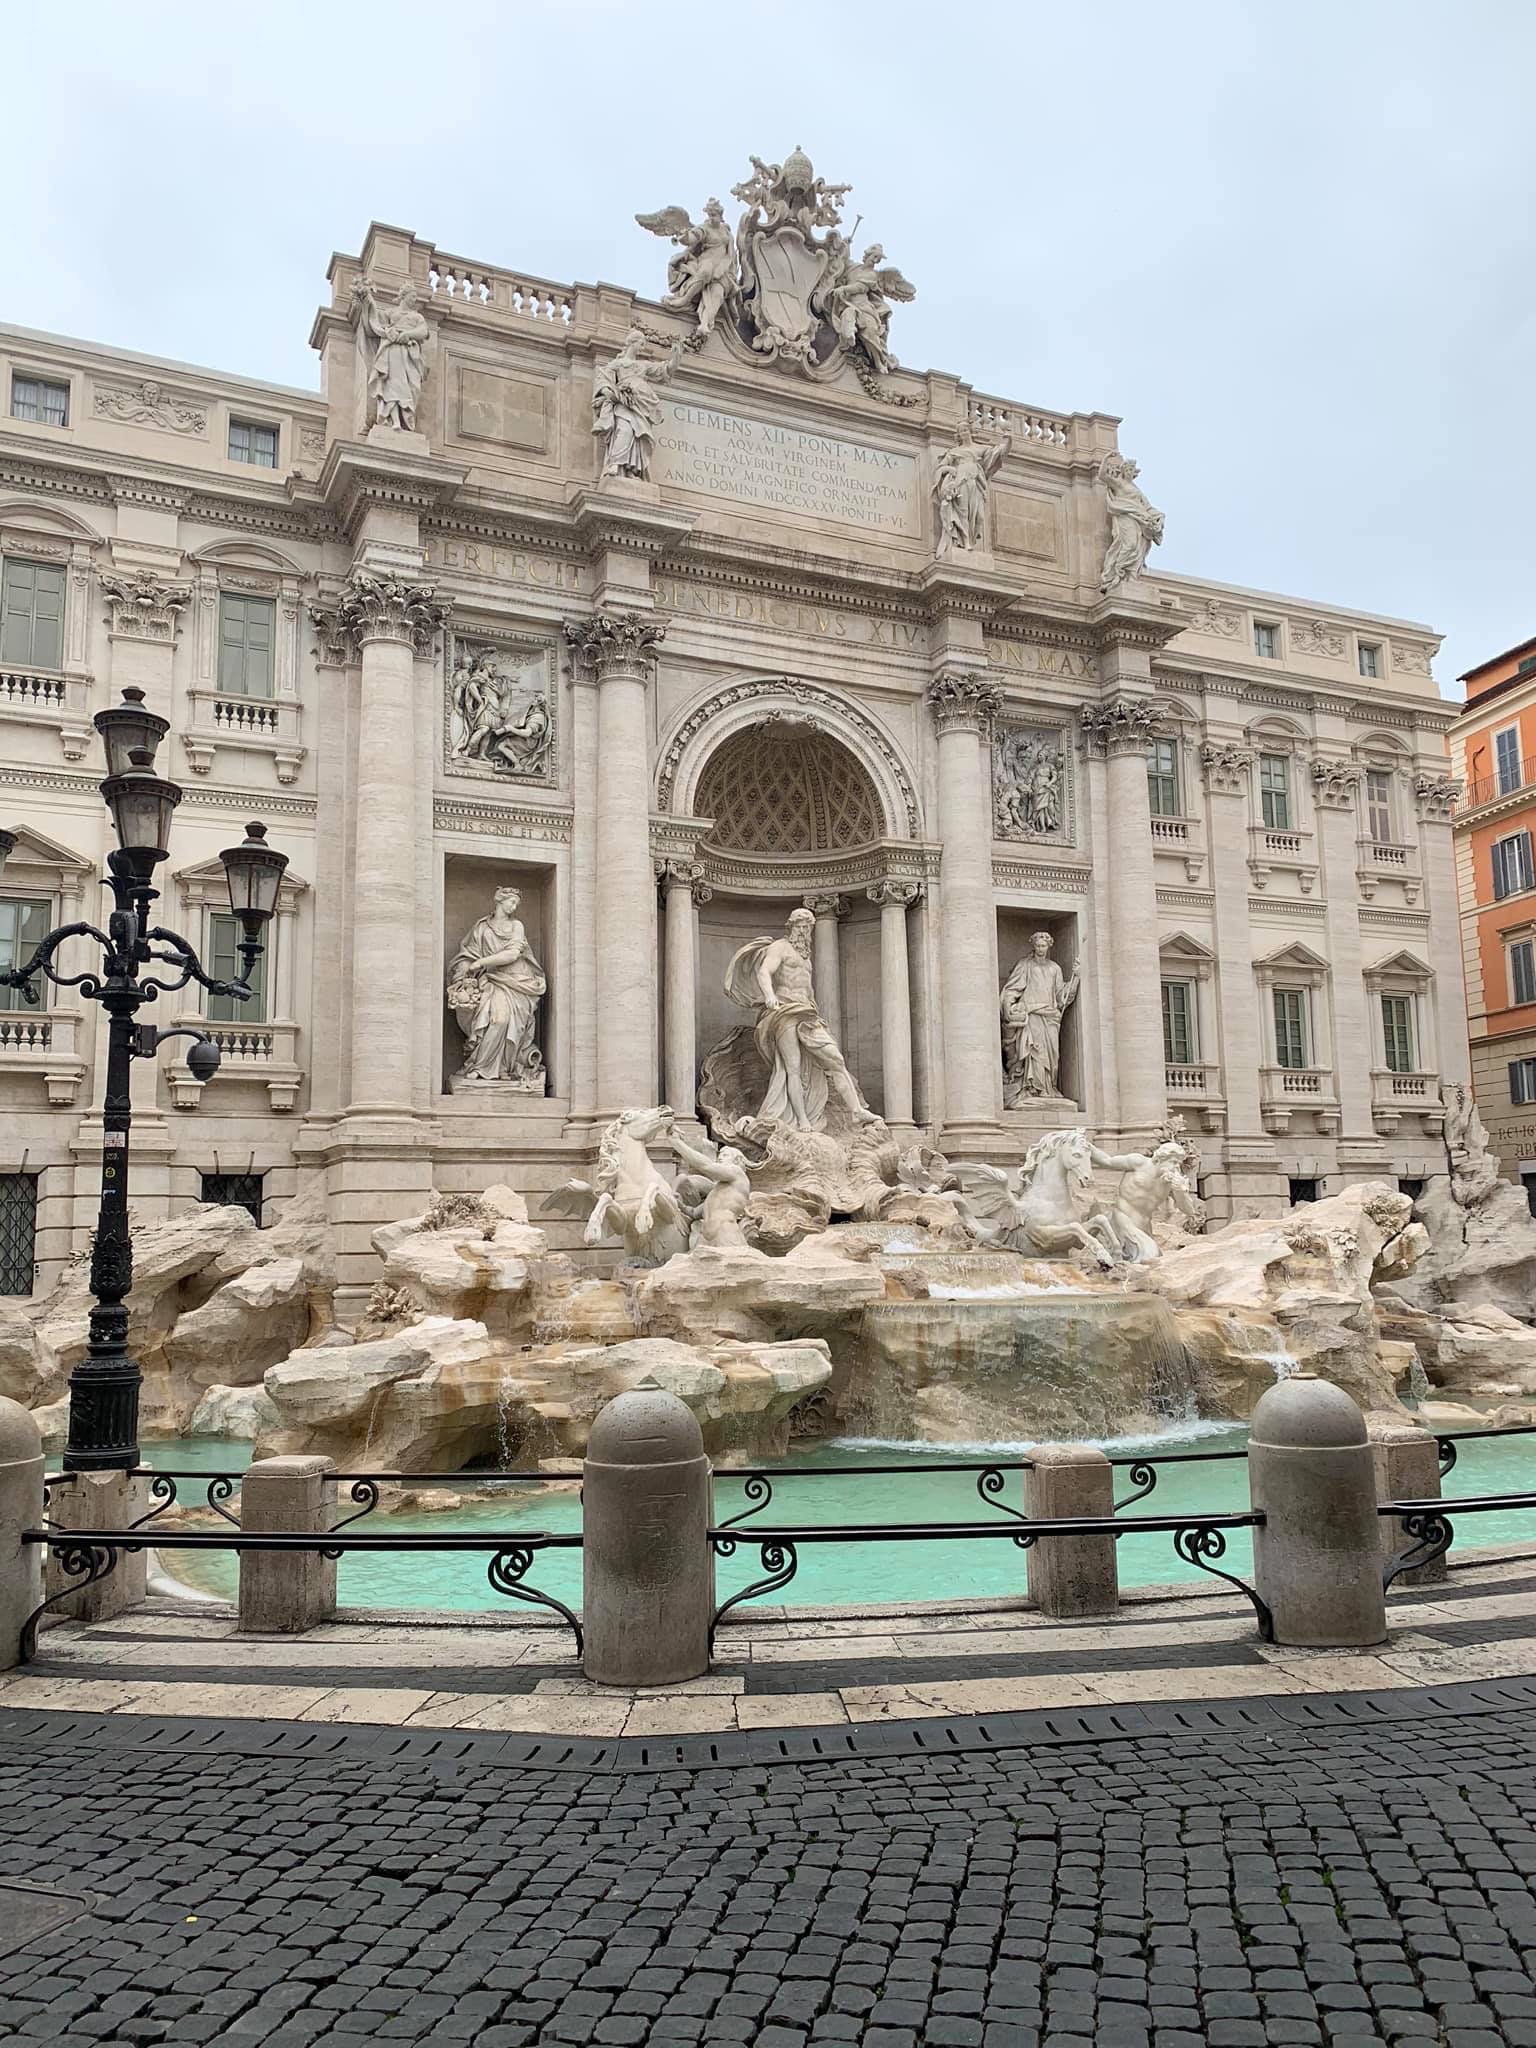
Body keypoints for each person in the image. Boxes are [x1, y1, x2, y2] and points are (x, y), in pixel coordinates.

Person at [722, 908, 878, 1132]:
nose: (805, 931)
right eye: (801, 926)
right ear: (791, 926)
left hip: (807, 1013)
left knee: (836, 1060)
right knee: (792, 1068)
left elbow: (808, 987)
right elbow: (764, 972)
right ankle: (802, 1120)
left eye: (808, 927)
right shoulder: (779, 947)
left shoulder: (806, 956)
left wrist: (815, 1009)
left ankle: (856, 1111)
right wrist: (770, 996)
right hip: (784, 1010)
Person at [447, 887, 547, 1086]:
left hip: (517, 981)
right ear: (500, 901)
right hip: (492, 979)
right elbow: (469, 954)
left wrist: (480, 963)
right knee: (497, 1020)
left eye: (517, 904)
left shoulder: (517, 925)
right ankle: (480, 1066)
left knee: (507, 1022)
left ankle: (503, 1067)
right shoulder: (482, 927)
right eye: (511, 902)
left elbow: (512, 955)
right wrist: (466, 968)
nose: (514, 907)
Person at [591, 329, 682, 480]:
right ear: (632, 343)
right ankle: (615, 464)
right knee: (624, 430)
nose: (642, 347)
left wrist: (676, 355)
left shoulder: (643, 366)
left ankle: (632, 470)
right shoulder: (617, 364)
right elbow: (603, 380)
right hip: (623, 403)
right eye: (641, 343)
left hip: (641, 405)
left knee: (638, 436)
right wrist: (612, 394)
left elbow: (665, 369)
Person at [1000, 933, 1079, 1103]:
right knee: (1034, 1052)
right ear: (1033, 946)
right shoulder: (1025, 965)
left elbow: (1061, 996)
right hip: (1032, 1014)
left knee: (1052, 1054)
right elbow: (1013, 989)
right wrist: (1009, 1007)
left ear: (1049, 946)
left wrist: (1076, 978)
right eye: (1038, 946)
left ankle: (1048, 1087)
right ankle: (1032, 1088)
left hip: (1050, 1016)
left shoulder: (1055, 968)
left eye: (1044, 946)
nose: (1041, 949)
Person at [353, 281, 430, 432]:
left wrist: (407, 334)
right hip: (392, 350)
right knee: (392, 386)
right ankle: (394, 421)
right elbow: (374, 324)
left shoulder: (417, 316)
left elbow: (423, 332)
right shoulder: (390, 313)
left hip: (409, 354)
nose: (414, 300)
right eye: (412, 296)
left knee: (411, 388)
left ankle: (405, 420)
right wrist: (367, 300)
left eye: (415, 297)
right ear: (404, 296)